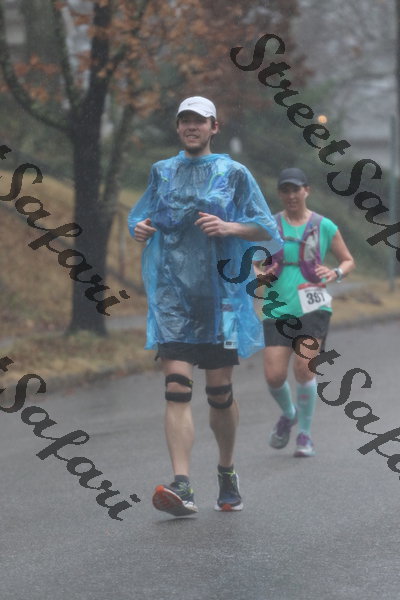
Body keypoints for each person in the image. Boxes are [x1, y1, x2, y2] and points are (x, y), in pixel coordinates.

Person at [127, 96, 282, 517]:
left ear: (215, 127)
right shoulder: (162, 171)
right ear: (178, 127)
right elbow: (141, 216)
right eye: (185, 120)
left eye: (200, 120)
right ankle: (182, 485)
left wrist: (229, 226)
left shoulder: (234, 173)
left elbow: (266, 229)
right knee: (176, 388)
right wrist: (140, 227)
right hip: (172, 298)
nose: (191, 127)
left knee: (219, 393)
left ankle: (227, 472)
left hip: (222, 299)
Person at [253, 167, 355, 457]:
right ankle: (290, 413)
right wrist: (261, 275)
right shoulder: (270, 226)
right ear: (280, 194)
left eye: (296, 189)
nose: (291, 195)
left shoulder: (324, 225)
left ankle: (305, 434)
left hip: (313, 305)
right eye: (285, 190)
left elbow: (348, 260)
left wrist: (335, 272)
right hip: (277, 306)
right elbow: (255, 263)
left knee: (303, 367)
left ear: (306, 191)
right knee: (274, 376)